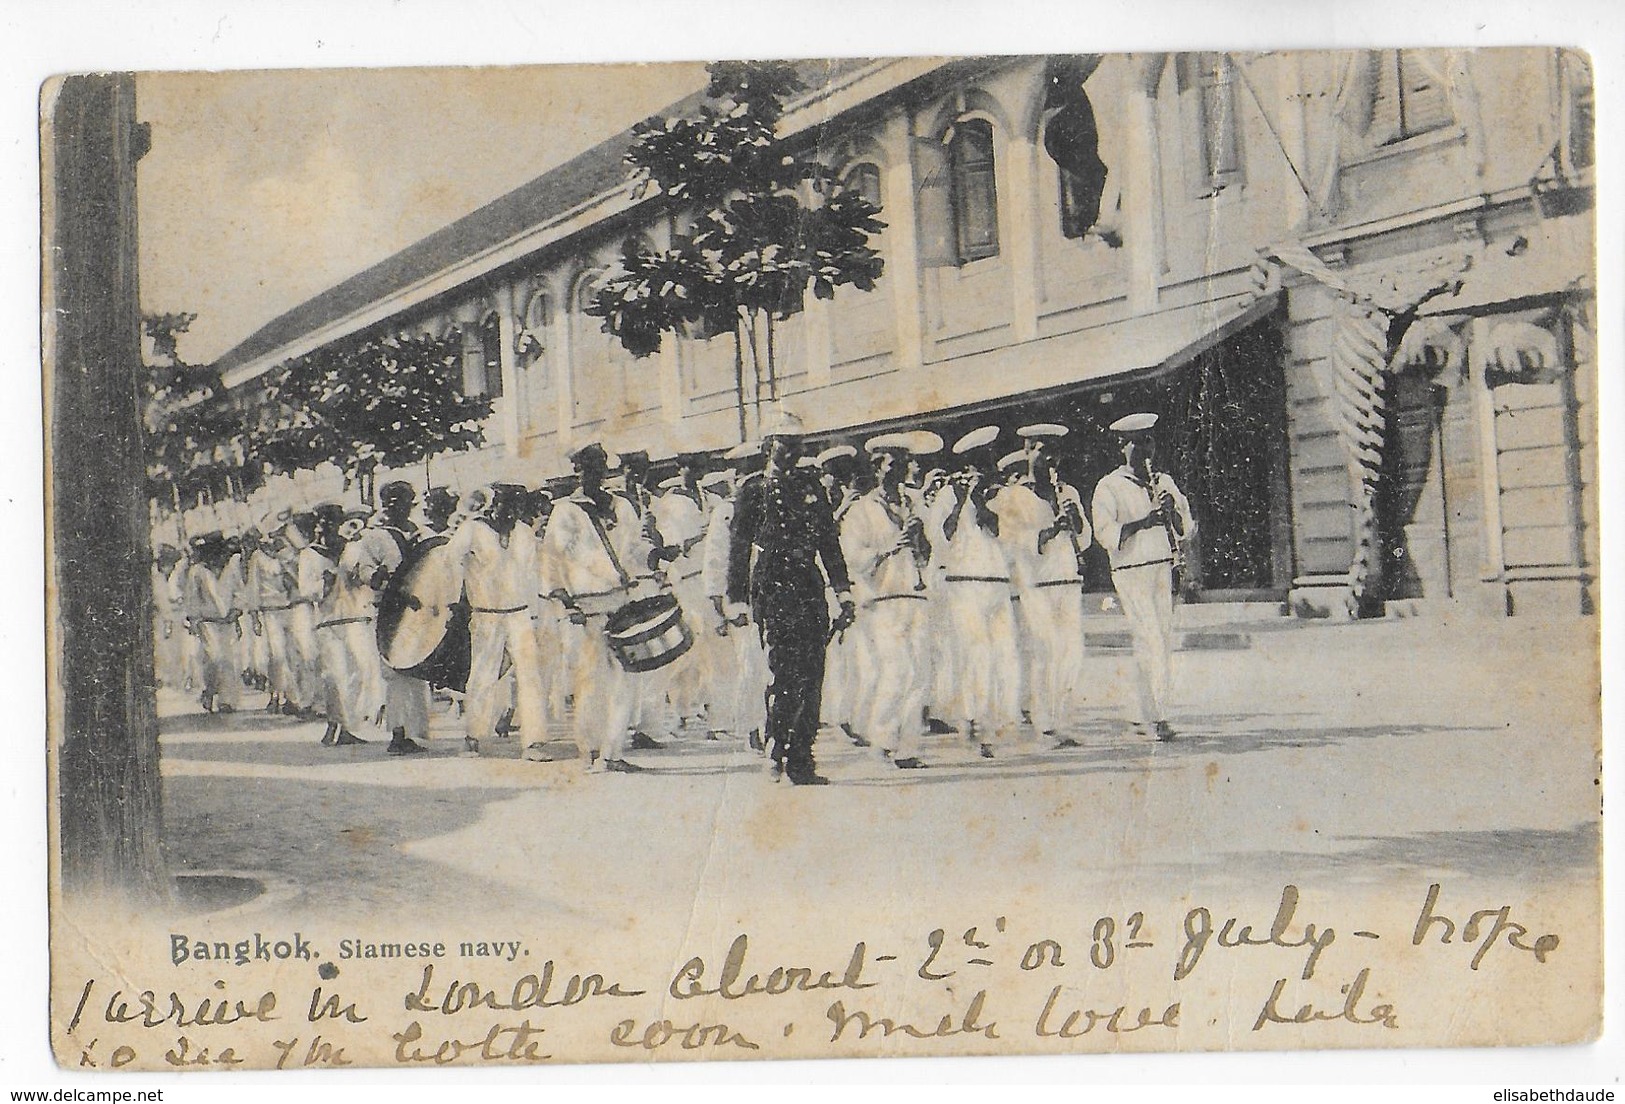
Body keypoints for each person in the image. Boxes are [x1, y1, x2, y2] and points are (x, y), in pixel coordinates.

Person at [726, 411, 856, 785]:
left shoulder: (808, 485)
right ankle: (776, 742)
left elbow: (829, 543)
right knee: (784, 672)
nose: (794, 451)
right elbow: (738, 548)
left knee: (813, 673)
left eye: (798, 445)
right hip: (773, 586)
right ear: (769, 446)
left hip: (809, 586)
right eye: (786, 444)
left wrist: (843, 590)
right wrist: (736, 600)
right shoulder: (752, 489)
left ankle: (802, 759)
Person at [538, 443, 661, 773]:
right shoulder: (566, 511)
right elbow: (552, 560)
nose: (593, 472)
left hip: (622, 602)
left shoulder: (621, 505)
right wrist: (565, 602)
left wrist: (654, 555)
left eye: (599, 465)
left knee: (626, 680)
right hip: (586, 607)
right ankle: (591, 750)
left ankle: (613, 752)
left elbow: (635, 549)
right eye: (586, 466)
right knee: (591, 682)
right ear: (576, 471)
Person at [1090, 413, 1194, 741]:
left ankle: (1144, 712)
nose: (1147, 449)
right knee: (1149, 637)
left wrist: (1172, 512)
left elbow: (1186, 529)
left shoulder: (1164, 481)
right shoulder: (1108, 486)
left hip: (1161, 566)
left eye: (1150, 440)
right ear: (1123, 446)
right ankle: (1157, 717)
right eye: (1139, 442)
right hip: (1131, 571)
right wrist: (1145, 522)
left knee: (1159, 639)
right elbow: (1105, 534)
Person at [840, 431, 939, 771]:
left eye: (904, 463)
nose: (901, 471)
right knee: (897, 671)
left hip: (915, 595)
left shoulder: (913, 505)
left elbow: (928, 554)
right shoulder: (862, 510)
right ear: (878, 468)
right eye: (893, 464)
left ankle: (908, 748)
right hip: (883, 601)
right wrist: (890, 546)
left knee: (921, 675)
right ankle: (881, 742)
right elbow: (853, 558)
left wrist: (919, 541)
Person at [999, 424, 1093, 746]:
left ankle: (1061, 721)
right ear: (1027, 453)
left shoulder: (1068, 492)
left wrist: (1074, 520)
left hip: (1067, 579)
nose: (1048, 456)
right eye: (1040, 448)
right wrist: (1049, 532)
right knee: (1044, 651)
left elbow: (1086, 538)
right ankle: (1045, 726)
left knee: (1072, 654)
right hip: (1036, 584)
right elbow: (1011, 542)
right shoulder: (1013, 497)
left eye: (1054, 449)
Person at [937, 426, 1023, 758]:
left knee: (1003, 656)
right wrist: (960, 502)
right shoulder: (949, 494)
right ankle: (972, 719)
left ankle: (992, 724)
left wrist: (978, 499)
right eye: (977, 463)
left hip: (997, 584)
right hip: (965, 584)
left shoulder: (1003, 495)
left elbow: (1002, 532)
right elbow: (942, 536)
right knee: (976, 654)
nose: (985, 469)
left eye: (987, 462)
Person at [445, 483, 548, 756]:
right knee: (482, 676)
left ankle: (534, 742)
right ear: (495, 504)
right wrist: (459, 598)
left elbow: (531, 575)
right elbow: (450, 561)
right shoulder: (472, 529)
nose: (512, 512)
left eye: (517, 507)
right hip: (486, 615)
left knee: (530, 676)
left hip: (521, 614)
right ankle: (473, 737)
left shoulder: (524, 533)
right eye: (507, 505)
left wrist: (534, 616)